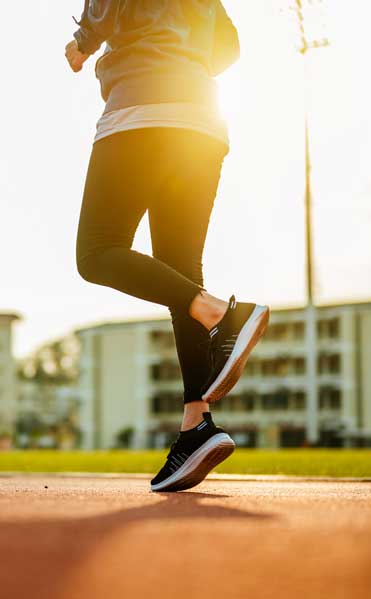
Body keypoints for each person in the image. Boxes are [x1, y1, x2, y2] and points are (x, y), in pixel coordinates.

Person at [67, 0, 269, 492]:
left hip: (141, 113)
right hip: (202, 120)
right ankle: (195, 426)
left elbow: (102, 12)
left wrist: (82, 45)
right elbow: (229, 47)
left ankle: (222, 313)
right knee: (179, 269)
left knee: (96, 253)